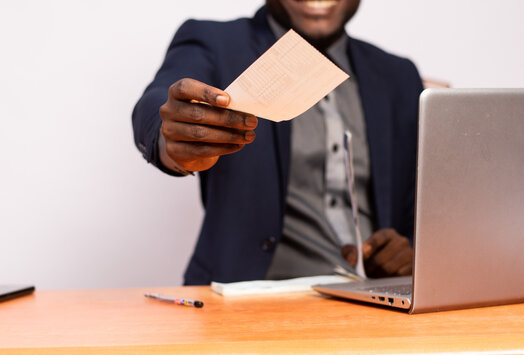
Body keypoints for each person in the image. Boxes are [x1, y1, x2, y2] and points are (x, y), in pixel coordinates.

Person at [132, 0, 423, 285]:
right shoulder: (215, 43)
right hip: (248, 302)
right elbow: (158, 102)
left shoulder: (398, 75)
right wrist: (170, 137)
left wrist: (409, 255)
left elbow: (420, 208)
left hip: (374, 302)